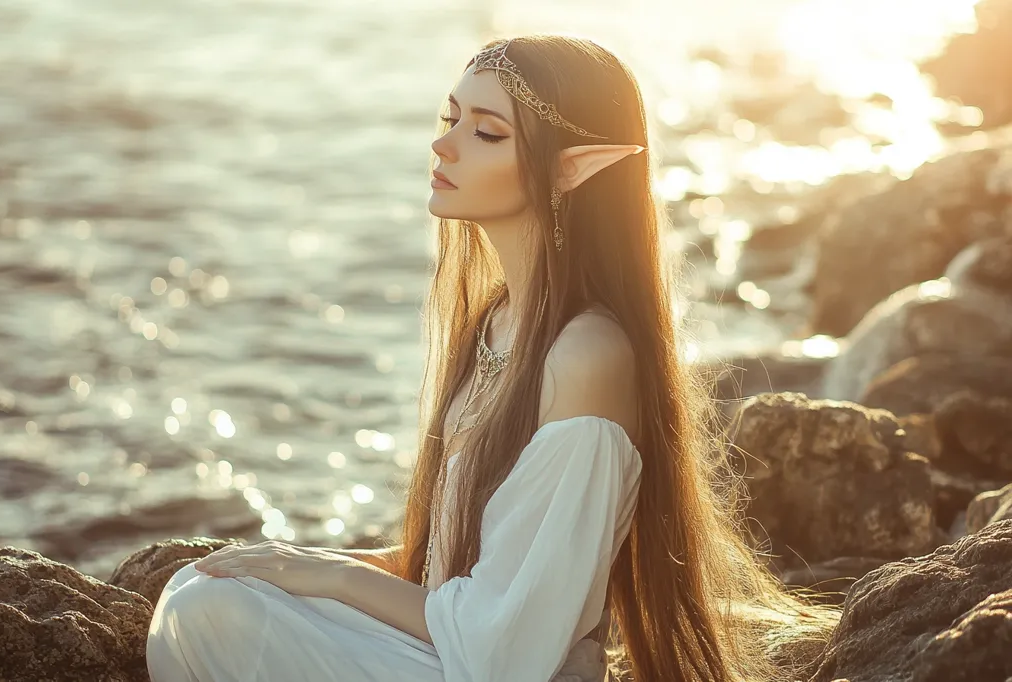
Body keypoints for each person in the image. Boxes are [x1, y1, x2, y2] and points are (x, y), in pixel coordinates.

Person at [146, 34, 841, 682]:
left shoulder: (587, 354)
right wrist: (302, 564)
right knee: (200, 586)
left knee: (211, 612)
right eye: (451, 119)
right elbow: (451, 567)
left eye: (485, 132)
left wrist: (334, 578)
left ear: (572, 167)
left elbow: (504, 643)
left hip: (498, 668)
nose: (443, 145)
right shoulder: (498, 322)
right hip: (452, 648)